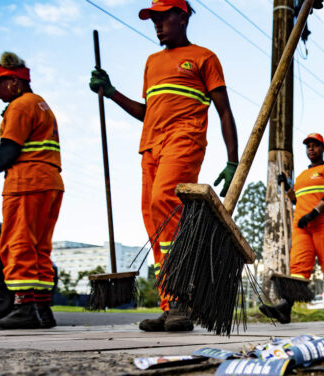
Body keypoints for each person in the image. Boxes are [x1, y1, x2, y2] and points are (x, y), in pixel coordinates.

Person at [89, 0, 239, 332]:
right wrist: (111, 93)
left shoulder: (204, 58)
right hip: (150, 147)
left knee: (165, 203)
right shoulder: (152, 62)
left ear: (182, 17)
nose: (156, 24)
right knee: (155, 224)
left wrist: (233, 160)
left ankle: (184, 299)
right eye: (152, 19)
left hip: (184, 139)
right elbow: (148, 112)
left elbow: (224, 110)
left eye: (162, 17)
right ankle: (171, 303)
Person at [0, 52, 64, 329]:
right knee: (39, 247)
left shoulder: (19, 105)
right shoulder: (41, 105)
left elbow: (9, 147)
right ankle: (42, 309)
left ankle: (24, 307)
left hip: (27, 182)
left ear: (14, 81)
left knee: (18, 243)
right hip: (49, 181)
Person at [260, 133, 324, 325]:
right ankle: (285, 309)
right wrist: (287, 185)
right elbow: (296, 200)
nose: (311, 149)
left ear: (322, 148)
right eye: (308, 146)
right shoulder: (301, 177)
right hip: (303, 227)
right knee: (298, 268)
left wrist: (313, 214)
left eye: (315, 145)